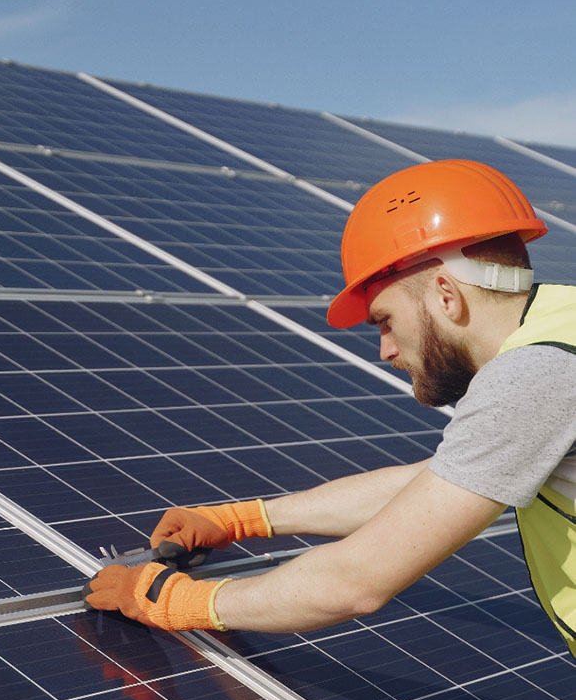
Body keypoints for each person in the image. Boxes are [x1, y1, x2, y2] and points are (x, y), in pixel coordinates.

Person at [84, 159, 576, 657]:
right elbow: (435, 485)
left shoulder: (536, 375)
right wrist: (243, 519)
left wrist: (178, 601)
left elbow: (356, 582)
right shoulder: (560, 327)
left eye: (384, 320)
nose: (385, 351)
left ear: (446, 294)